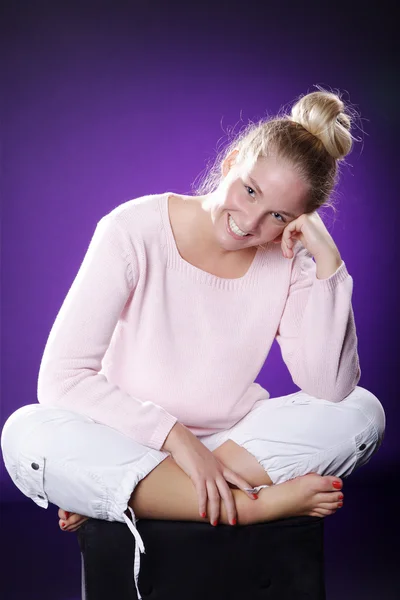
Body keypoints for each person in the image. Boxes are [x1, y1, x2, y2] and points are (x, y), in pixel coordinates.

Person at [1, 88, 385, 599]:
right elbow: (62, 377)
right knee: (24, 432)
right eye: (249, 191)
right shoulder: (133, 228)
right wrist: (178, 440)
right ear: (230, 162)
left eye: (277, 216)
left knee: (361, 410)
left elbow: (327, 386)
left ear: (297, 220)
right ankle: (250, 505)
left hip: (234, 443)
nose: (251, 223)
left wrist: (328, 263)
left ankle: (136, 495)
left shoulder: (290, 265)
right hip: (128, 438)